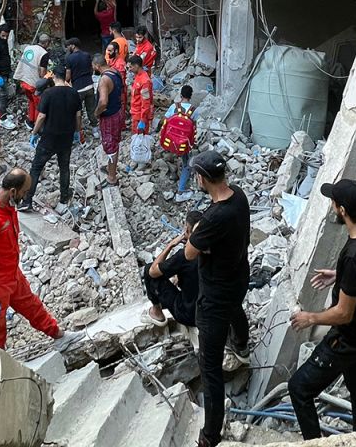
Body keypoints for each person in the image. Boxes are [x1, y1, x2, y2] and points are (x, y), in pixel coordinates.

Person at [287, 178, 356, 440]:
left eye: (333, 202)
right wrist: (340, 276)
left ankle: (315, 444)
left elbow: (343, 313)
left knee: (298, 388)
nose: (332, 206)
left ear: (342, 210)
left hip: (348, 339)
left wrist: (310, 317)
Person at [0, 169, 86, 350]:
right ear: (13, 192)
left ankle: (59, 336)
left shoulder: (7, 207)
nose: (25, 197)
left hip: (11, 275)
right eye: (24, 192)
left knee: (32, 306)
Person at [183, 150, 251, 447]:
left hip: (214, 296)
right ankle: (241, 344)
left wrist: (197, 234)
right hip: (237, 277)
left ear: (203, 178)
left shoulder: (213, 217)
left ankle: (210, 434)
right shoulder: (239, 196)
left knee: (210, 368)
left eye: (196, 175)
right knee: (236, 309)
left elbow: (188, 253)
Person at [23, 66, 85, 217]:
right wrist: (77, 131)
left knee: (36, 168)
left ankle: (27, 201)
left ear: (54, 77)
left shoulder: (48, 94)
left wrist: (34, 132)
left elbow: (41, 117)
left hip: (49, 138)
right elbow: (78, 116)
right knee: (64, 167)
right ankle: (64, 199)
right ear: (65, 77)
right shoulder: (74, 93)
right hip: (66, 137)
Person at [142, 210, 203, 328]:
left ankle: (157, 312)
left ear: (187, 230)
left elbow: (153, 272)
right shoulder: (211, 250)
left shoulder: (184, 256)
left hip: (188, 315)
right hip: (208, 311)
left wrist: (171, 245)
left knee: (148, 270)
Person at [93, 52, 126, 186]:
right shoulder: (115, 72)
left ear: (97, 65)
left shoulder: (104, 80)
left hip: (109, 117)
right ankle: (110, 168)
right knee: (115, 142)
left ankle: (112, 178)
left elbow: (103, 102)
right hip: (118, 111)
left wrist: (96, 112)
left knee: (110, 145)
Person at [162, 85, 199, 201]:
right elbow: (194, 127)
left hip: (170, 141)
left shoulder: (174, 106)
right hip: (183, 143)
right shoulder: (194, 110)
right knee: (187, 164)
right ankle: (181, 190)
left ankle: (170, 173)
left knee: (172, 154)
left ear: (181, 95)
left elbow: (165, 120)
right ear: (190, 96)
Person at [14, 33, 53, 125]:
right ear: (47, 43)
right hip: (33, 84)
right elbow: (42, 73)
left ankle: (30, 120)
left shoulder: (28, 48)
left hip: (23, 80)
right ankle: (37, 124)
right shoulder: (44, 54)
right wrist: (49, 77)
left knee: (31, 101)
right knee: (39, 105)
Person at [64, 37, 97, 128]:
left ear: (73, 46)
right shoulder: (87, 55)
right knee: (91, 109)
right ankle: (95, 129)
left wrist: (64, 82)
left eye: (69, 46)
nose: (67, 48)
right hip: (90, 86)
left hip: (78, 89)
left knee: (77, 111)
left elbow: (68, 76)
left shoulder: (69, 58)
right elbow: (91, 69)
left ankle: (78, 131)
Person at [128, 54, 154, 140]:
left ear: (136, 66)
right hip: (136, 114)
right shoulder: (138, 76)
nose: (129, 69)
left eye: (130, 67)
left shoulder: (144, 81)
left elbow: (146, 102)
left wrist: (142, 120)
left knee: (140, 141)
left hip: (140, 116)